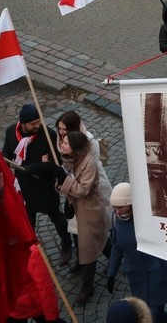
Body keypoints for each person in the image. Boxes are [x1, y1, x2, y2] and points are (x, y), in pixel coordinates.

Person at [2, 104, 72, 265]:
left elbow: (55, 165)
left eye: (38, 121)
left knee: (57, 218)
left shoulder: (48, 135)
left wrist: (31, 167)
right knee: (28, 222)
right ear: (23, 124)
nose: (38, 125)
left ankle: (67, 246)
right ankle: (31, 252)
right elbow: (7, 153)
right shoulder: (11, 132)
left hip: (45, 188)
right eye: (33, 123)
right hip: (25, 188)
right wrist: (6, 161)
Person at [56, 130, 112, 303]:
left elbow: (82, 190)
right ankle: (115, 255)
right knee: (97, 238)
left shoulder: (89, 162)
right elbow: (60, 185)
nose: (61, 145)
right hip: (77, 207)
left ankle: (87, 285)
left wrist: (63, 180)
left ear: (74, 147)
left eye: (65, 143)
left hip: (90, 208)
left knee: (88, 245)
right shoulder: (68, 160)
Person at [107, 183, 167, 323]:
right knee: (153, 315)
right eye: (115, 207)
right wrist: (111, 273)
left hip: (156, 275)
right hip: (136, 278)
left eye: (121, 207)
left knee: (153, 315)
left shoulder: (149, 217)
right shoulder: (116, 220)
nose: (117, 212)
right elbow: (116, 247)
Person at [7, 244, 61, 323]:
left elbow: (45, 287)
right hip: (15, 308)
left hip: (33, 305)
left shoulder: (30, 251)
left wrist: (52, 318)